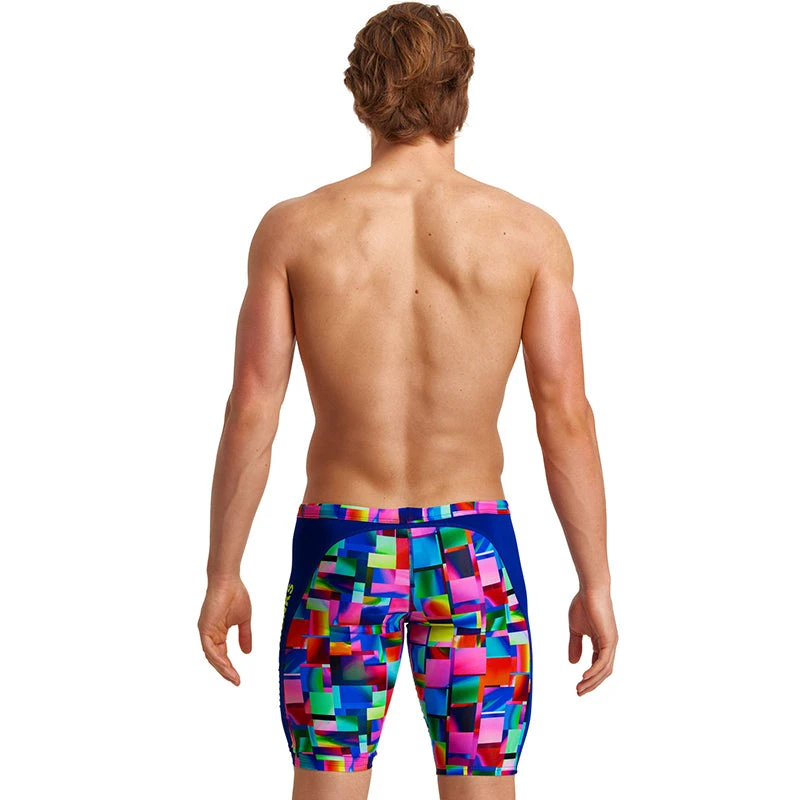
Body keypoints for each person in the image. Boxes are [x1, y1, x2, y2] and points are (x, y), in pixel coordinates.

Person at [197, 3, 618, 799]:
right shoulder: (529, 235)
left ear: (361, 93)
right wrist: (594, 583)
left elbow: (253, 406)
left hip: (343, 552)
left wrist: (223, 571)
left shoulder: (295, 230)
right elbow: (564, 415)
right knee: (481, 785)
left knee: (326, 783)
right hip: (472, 557)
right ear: (463, 91)